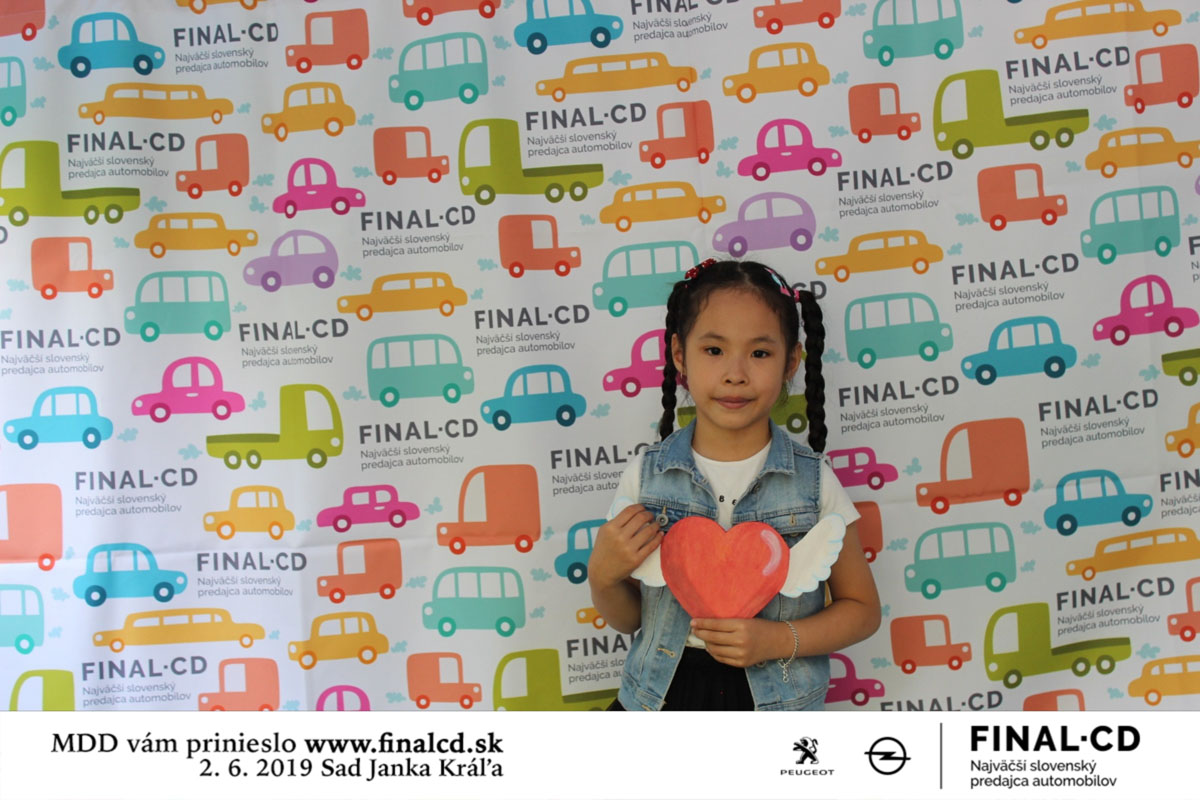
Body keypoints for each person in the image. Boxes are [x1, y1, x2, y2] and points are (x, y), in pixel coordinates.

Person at [588, 258, 881, 711]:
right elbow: (629, 619)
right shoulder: (646, 477)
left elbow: (862, 610)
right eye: (714, 350)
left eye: (760, 353)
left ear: (791, 362)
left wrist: (776, 639)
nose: (736, 373)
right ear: (680, 355)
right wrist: (602, 576)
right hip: (657, 700)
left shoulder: (813, 481)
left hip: (774, 704)